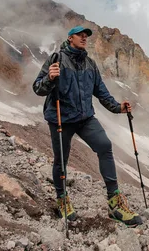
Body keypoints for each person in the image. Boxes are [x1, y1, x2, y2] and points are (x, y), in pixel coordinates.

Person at [32, 25, 143, 227]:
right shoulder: (56, 59)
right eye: (80, 35)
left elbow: (101, 92)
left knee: (104, 146)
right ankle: (62, 200)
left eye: (86, 36)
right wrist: (49, 78)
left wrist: (119, 108)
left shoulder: (90, 64)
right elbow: (37, 88)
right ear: (70, 38)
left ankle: (114, 202)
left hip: (85, 118)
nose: (84, 38)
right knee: (61, 161)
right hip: (61, 119)